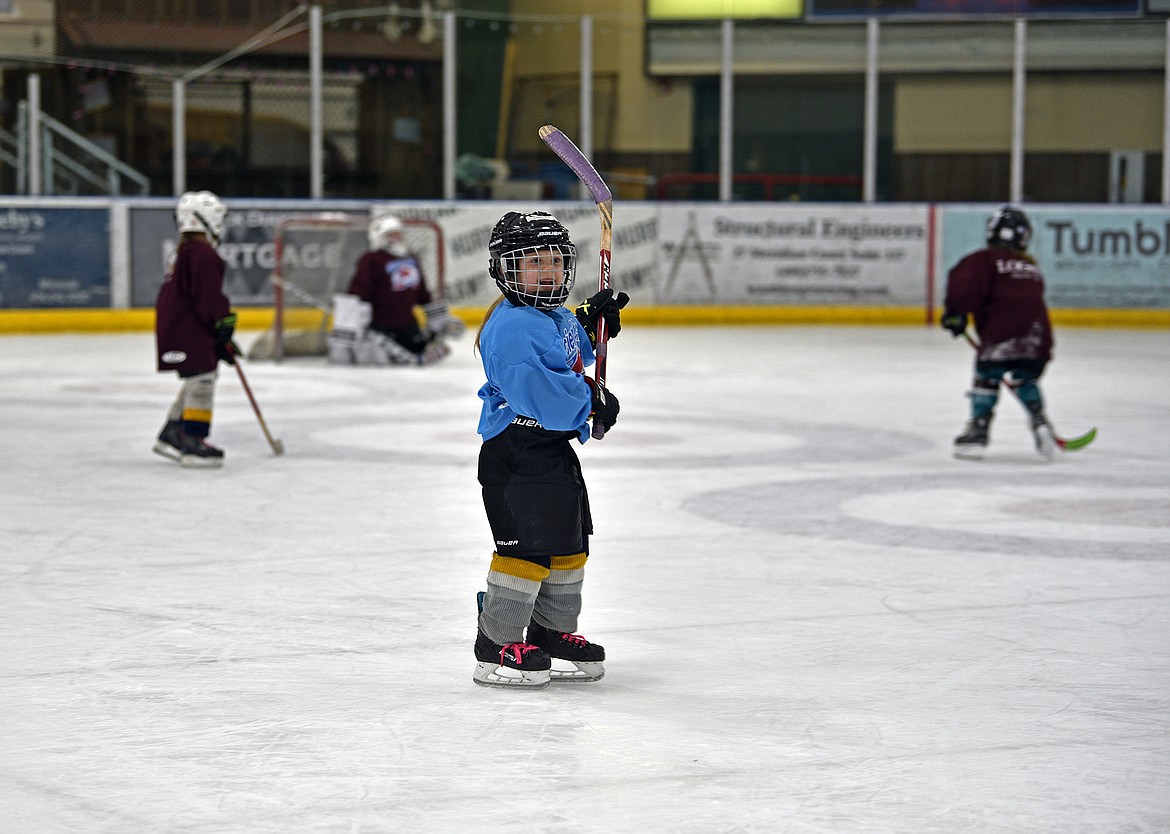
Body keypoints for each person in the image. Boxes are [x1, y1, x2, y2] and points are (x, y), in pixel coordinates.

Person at [471, 210, 629, 689]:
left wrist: (590, 321)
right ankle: (496, 641)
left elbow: (567, 349)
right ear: (505, 270)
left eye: (555, 261)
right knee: (527, 552)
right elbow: (553, 403)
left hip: (548, 452)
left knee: (567, 546)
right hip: (516, 453)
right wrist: (592, 402)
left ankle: (552, 632)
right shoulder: (515, 329)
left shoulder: (549, 314)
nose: (547, 271)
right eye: (532, 262)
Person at [941, 205, 1056, 460]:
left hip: (1001, 336)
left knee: (987, 376)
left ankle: (978, 430)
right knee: (1024, 376)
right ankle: (1040, 420)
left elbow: (964, 285)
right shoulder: (1030, 266)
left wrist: (956, 313)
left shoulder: (983, 260)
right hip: (1038, 339)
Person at [153, 190, 239, 468]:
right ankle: (193, 439)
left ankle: (171, 432)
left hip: (175, 327)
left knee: (196, 376)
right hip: (189, 328)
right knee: (203, 378)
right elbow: (208, 298)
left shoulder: (182, 252)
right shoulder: (203, 254)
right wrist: (223, 326)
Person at [332, 212, 462, 366]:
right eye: (392, 234)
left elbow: (422, 294)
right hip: (379, 326)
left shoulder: (411, 259)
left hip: (407, 325)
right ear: (380, 237)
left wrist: (436, 316)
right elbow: (358, 294)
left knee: (417, 349)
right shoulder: (371, 260)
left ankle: (418, 347)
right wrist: (355, 326)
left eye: (399, 234)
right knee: (379, 358)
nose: (398, 238)